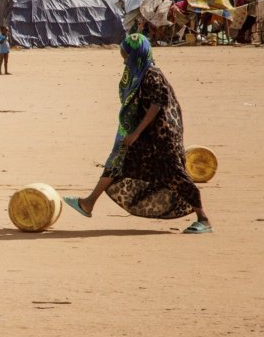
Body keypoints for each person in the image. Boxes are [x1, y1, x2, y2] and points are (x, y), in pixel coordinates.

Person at [63, 33, 212, 234]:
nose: (124, 59)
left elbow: (156, 106)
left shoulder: (152, 75)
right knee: (118, 164)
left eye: (126, 55)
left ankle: (203, 219)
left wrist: (135, 133)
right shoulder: (140, 73)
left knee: (176, 175)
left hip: (161, 138)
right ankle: (88, 203)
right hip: (147, 137)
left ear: (136, 54)